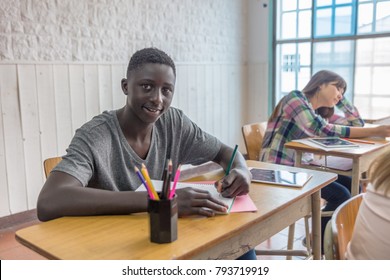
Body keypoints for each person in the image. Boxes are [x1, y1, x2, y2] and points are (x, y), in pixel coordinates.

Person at [37, 47, 255, 260]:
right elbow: (49, 201)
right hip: (114, 247)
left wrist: (241, 169)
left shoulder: (174, 123)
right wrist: (158, 201)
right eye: (146, 86)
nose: (158, 99)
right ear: (125, 86)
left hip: (162, 239)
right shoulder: (96, 136)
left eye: (166, 90)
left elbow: (225, 152)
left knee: (240, 244)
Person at [259, 70, 390, 250]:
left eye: (343, 92)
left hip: (301, 167)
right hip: (278, 169)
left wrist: (340, 97)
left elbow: (356, 123)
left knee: (353, 184)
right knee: (341, 194)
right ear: (320, 83)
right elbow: (321, 129)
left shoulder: (317, 111)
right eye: (337, 88)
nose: (340, 95)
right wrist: (375, 131)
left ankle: (323, 239)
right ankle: (320, 243)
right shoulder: (295, 98)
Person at [346, 149, 390, 260]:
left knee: (346, 191)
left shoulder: (384, 167)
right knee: (342, 194)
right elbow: (332, 132)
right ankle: (317, 241)